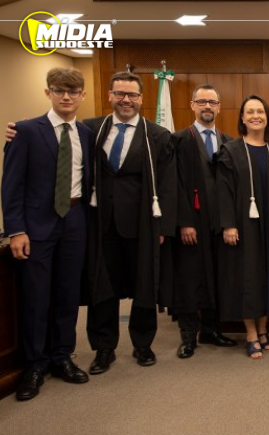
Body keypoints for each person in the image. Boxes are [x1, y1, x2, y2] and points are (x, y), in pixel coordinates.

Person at [2, 68, 93, 401]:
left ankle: (62, 357)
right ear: (48, 93)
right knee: (36, 297)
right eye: (59, 90)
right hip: (36, 226)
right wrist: (16, 230)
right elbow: (11, 185)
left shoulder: (85, 133)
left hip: (75, 221)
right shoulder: (25, 131)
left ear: (82, 95)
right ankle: (35, 365)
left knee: (68, 295)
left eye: (73, 91)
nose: (66, 97)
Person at [83, 72, 176, 374]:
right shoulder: (91, 130)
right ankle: (104, 347)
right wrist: (14, 135)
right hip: (102, 224)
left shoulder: (157, 135)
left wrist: (163, 227)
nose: (126, 100)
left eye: (132, 95)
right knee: (102, 286)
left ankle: (142, 343)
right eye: (120, 93)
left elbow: (168, 184)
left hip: (142, 224)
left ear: (141, 98)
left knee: (144, 284)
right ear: (109, 95)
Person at [217, 95, 269, 359]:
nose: (255, 116)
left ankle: (264, 329)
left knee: (268, 274)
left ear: (267, 116)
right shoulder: (231, 151)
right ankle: (250, 333)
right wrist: (228, 224)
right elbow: (223, 191)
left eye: (260, 111)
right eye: (250, 112)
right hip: (244, 225)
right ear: (242, 118)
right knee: (248, 276)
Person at [170, 84, 237, 359]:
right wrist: (184, 222)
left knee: (216, 276)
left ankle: (211, 329)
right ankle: (188, 336)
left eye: (212, 102)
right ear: (192, 105)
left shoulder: (229, 141)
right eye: (202, 102)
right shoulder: (179, 140)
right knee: (190, 278)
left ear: (219, 107)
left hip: (218, 222)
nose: (207, 106)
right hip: (192, 223)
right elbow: (173, 185)